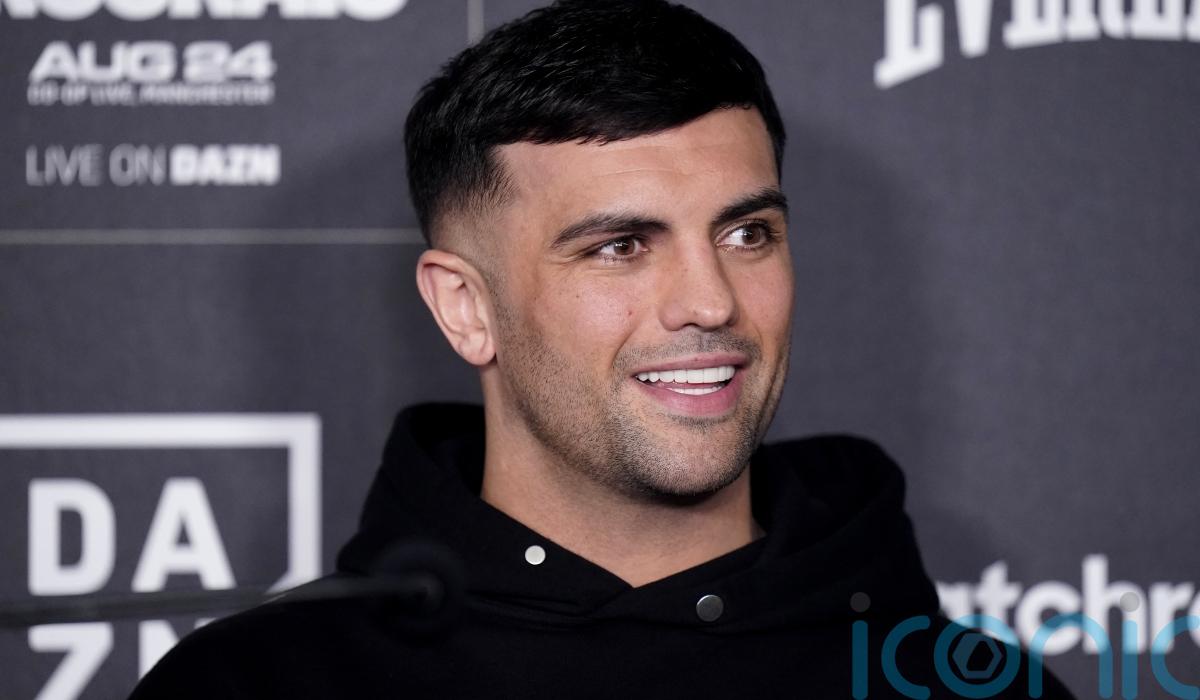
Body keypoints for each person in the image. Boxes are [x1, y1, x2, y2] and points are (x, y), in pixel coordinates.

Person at [131, 1, 1075, 697]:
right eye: (620, 247)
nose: (710, 301)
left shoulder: (973, 688)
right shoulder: (252, 687)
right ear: (465, 307)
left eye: (747, 233)